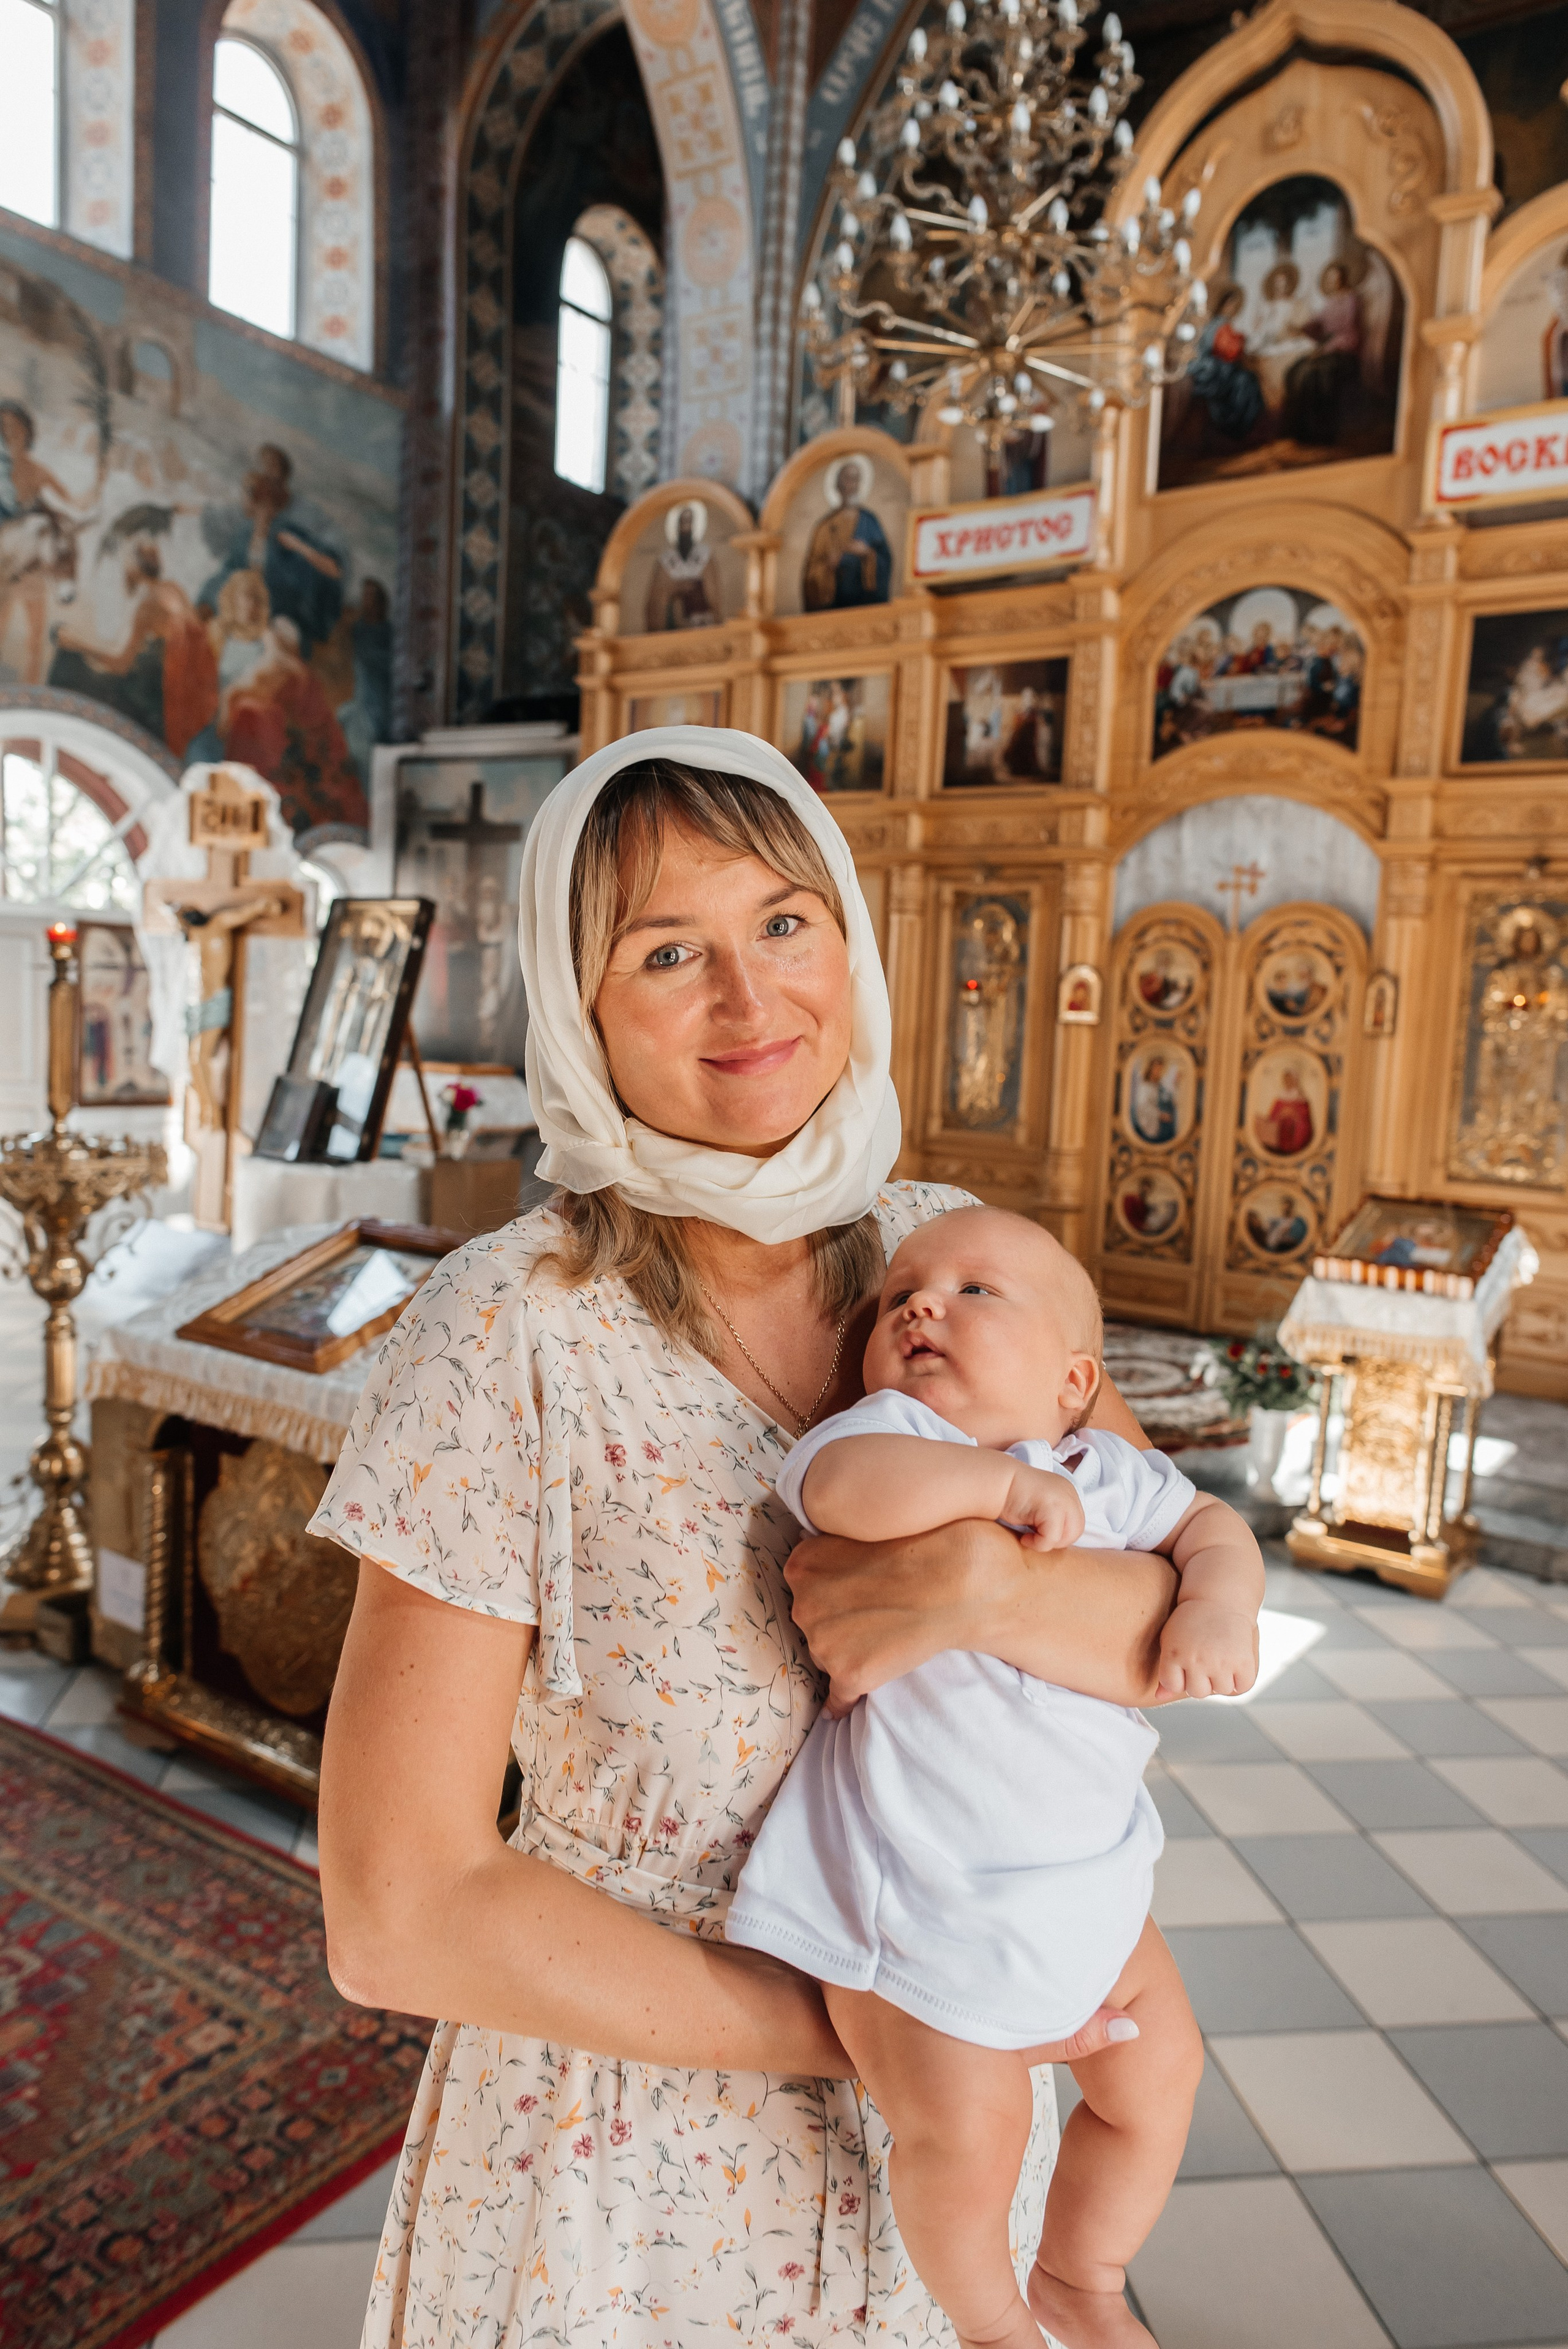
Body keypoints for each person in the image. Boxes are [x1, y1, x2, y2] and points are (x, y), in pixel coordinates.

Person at [312, 726, 1183, 2349]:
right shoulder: (509, 1328)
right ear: (578, 1004)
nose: (750, 996)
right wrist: (887, 2024)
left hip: (955, 2146)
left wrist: (978, 1583)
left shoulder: (949, 1259)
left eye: (785, 921)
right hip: (633, 2166)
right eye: (667, 951)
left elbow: (1173, 1612)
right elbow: (397, 1909)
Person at [728, 1206, 1261, 2349]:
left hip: (1092, 1874)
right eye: (902, 1296)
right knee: (971, 2131)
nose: (923, 1301)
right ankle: (993, 2326)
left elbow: (1213, 1523)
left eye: (977, 1291)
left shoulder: (1111, 1473)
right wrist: (992, 1493)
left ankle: (1083, 2273)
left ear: (1075, 1381)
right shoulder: (888, 1435)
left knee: (1161, 2074)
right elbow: (839, 1489)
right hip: (927, 1892)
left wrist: (1218, 1601)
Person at [803, 460, 893, 609]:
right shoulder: (825, 527)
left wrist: (867, 553)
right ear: (838, 485)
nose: (852, 485)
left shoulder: (870, 521)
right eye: (847, 479)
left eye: (856, 479)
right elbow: (811, 574)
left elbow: (886, 561)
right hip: (835, 608)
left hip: (867, 606)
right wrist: (828, 566)